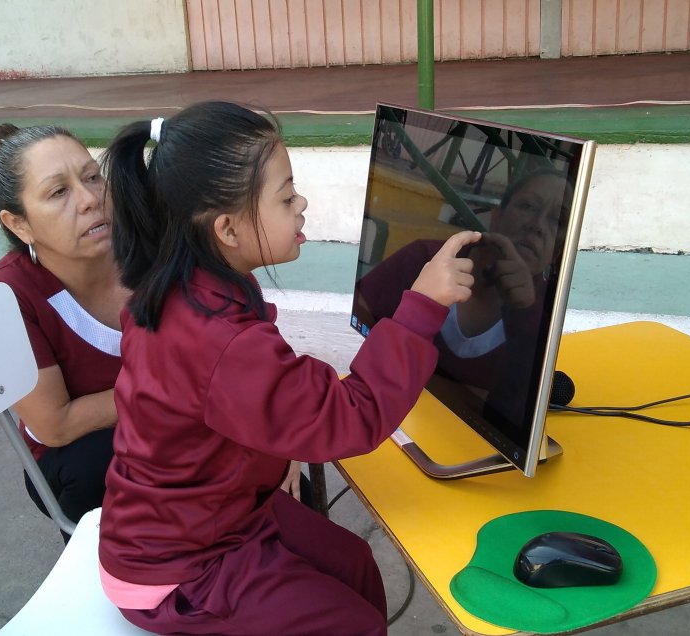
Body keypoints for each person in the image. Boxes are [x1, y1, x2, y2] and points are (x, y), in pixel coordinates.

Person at [97, 101, 481, 635]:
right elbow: (349, 418)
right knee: (352, 624)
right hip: (180, 568)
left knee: (353, 564)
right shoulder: (219, 339)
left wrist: (412, 271)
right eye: (285, 196)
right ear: (228, 230)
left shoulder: (193, 288)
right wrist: (422, 308)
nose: (301, 204)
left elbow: (268, 396)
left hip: (220, 512)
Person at [0, 123, 130, 533]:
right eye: (58, 192)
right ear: (19, 224)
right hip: (83, 456)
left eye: (92, 177)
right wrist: (175, 393)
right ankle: (109, 569)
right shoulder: (7, 294)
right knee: (103, 462)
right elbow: (55, 424)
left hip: (169, 424)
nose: (90, 199)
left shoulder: (148, 248)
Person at [355, 169, 572, 411]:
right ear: (497, 217)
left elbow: (515, 407)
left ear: (558, 250)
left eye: (557, 220)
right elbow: (361, 322)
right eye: (528, 206)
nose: (537, 226)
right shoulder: (426, 259)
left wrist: (525, 313)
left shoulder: (543, 314)